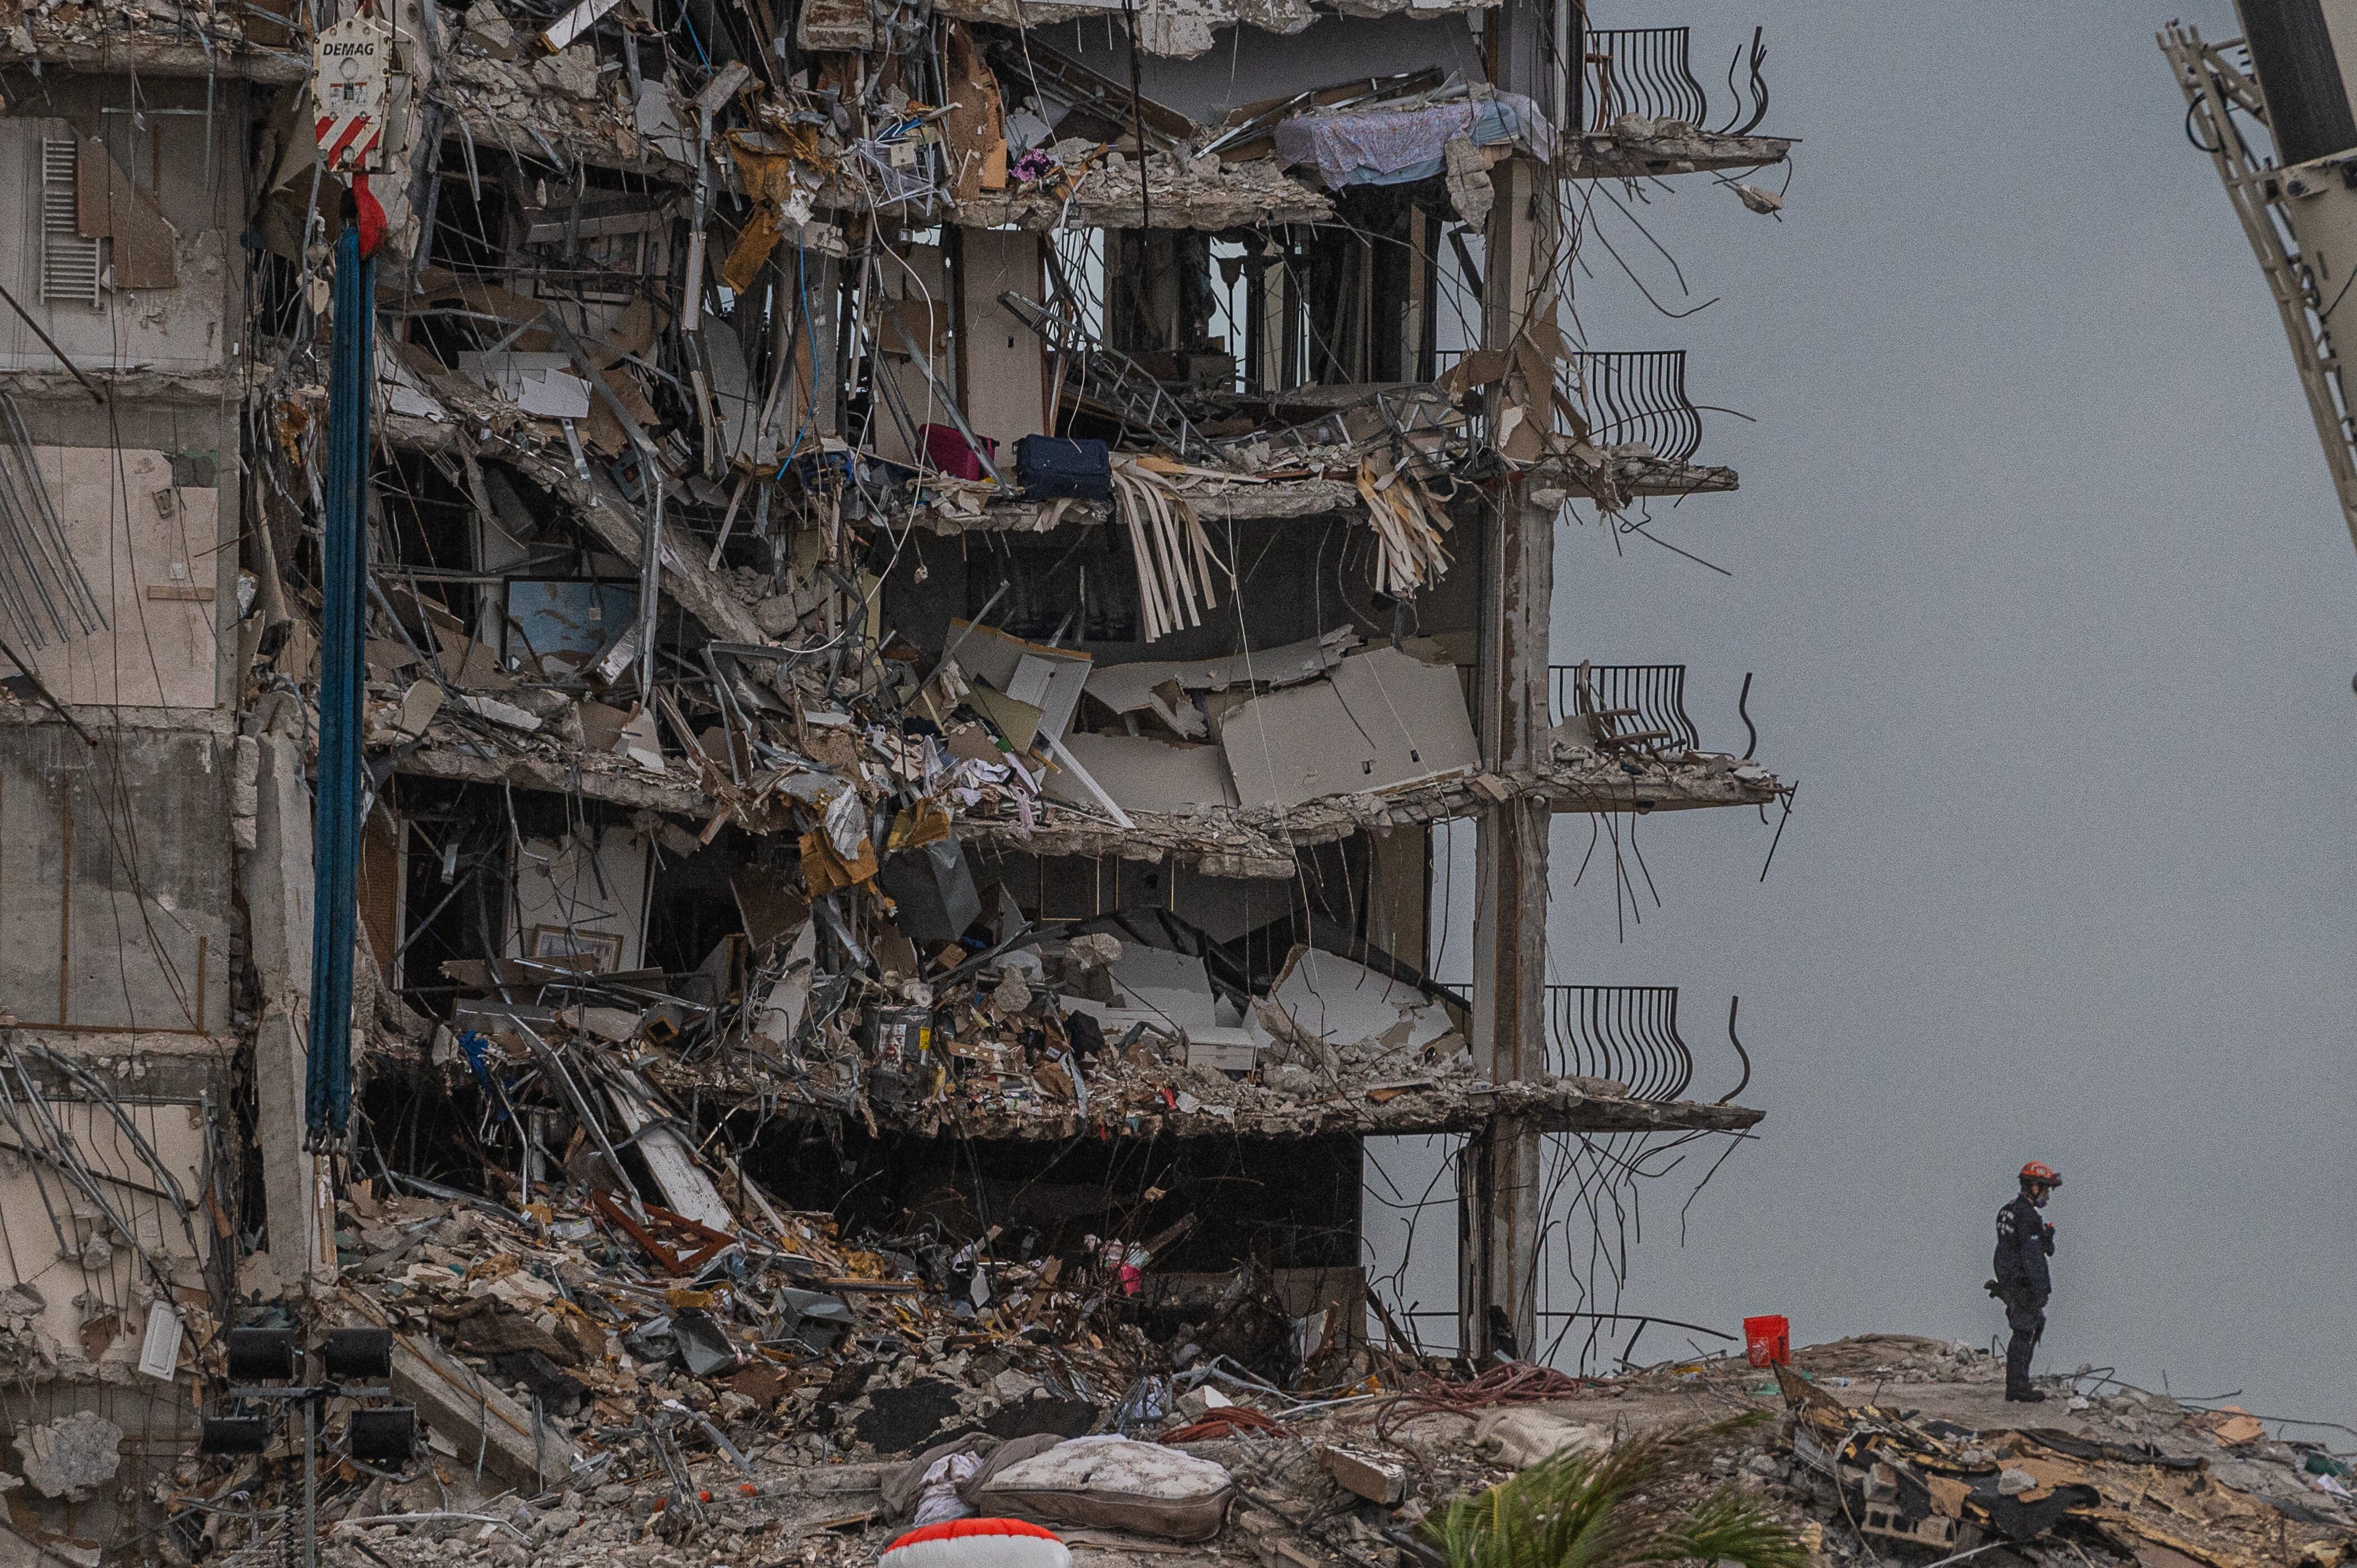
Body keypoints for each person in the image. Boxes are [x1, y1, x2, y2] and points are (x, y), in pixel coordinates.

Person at [1990, 1161, 2061, 1402]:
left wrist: (2045, 1238)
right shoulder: (2028, 1216)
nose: (2047, 1196)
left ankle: (2021, 1382)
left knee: (2033, 1325)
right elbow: (2032, 1258)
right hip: (2022, 1283)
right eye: (2045, 1190)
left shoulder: (2007, 1211)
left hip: (2009, 1279)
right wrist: (2040, 1290)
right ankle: (2018, 1387)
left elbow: (2017, 1247)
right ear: (2033, 1188)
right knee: (2024, 1332)